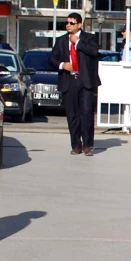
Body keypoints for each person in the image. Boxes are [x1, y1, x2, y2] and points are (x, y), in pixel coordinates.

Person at [49, 13, 101, 156]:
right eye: (66, 23)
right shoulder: (60, 41)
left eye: (71, 23)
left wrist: (77, 42)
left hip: (85, 82)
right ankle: (76, 145)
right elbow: (51, 59)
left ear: (79, 24)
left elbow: (94, 52)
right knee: (72, 115)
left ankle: (87, 145)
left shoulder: (89, 38)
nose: (68, 25)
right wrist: (62, 65)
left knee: (86, 114)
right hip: (69, 81)